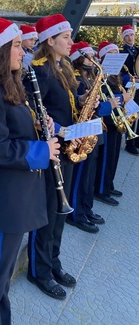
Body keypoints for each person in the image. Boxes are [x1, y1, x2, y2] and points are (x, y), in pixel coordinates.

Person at [0, 17, 60, 325]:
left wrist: (41, 127)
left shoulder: (8, 83)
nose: (24, 51)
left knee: (2, 275)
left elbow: (14, 129)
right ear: (0, 50)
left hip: (14, 196)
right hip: (0, 199)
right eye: (17, 45)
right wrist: (42, 151)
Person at [23, 13, 81, 300]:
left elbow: (66, 103)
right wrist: (60, 129)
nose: (71, 42)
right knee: (46, 211)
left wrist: (86, 105)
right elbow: (32, 112)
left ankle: (53, 261)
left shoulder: (63, 66)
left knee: (60, 211)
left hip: (67, 148)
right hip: (50, 150)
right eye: (66, 37)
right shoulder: (39, 70)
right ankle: (39, 269)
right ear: (50, 40)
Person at [66, 42, 120, 233]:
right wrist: (108, 105)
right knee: (81, 176)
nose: (92, 59)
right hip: (83, 131)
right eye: (88, 57)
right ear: (78, 58)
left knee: (89, 176)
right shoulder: (77, 80)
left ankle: (86, 208)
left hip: (94, 130)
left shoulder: (90, 76)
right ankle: (76, 213)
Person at [94, 41, 130, 206]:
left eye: (117, 54)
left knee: (114, 156)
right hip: (107, 121)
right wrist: (122, 97)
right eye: (111, 54)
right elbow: (103, 98)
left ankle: (109, 184)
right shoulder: (101, 75)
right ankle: (101, 189)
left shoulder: (116, 75)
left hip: (117, 120)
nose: (116, 57)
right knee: (106, 157)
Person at [120, 24, 139, 155]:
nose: (130, 37)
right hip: (129, 86)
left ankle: (137, 141)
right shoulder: (121, 52)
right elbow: (119, 73)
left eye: (131, 34)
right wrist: (131, 79)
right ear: (123, 37)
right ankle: (129, 143)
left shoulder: (137, 50)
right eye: (127, 35)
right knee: (131, 113)